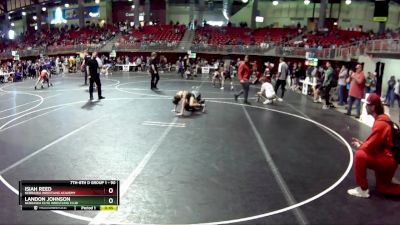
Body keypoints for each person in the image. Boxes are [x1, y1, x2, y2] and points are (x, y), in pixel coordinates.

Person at [348, 93, 400, 198]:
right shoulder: (384, 119)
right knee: (383, 187)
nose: (365, 106)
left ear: (373, 107)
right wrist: (363, 144)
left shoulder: (380, 123)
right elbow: (375, 143)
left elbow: (370, 146)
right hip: (390, 159)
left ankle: (363, 190)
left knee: (360, 155)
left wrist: (361, 146)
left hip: (388, 160)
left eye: (367, 104)